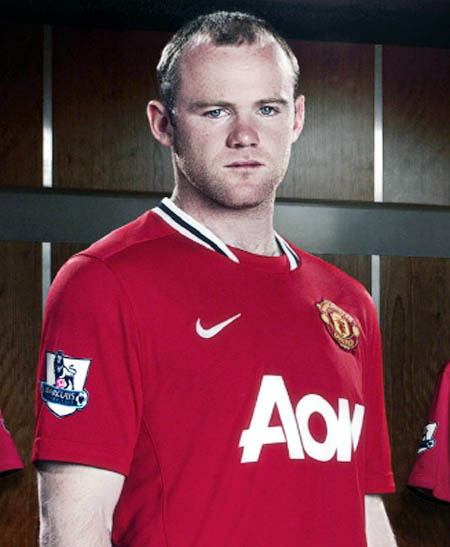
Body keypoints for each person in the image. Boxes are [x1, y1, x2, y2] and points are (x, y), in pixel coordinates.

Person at [33, 11, 397, 546]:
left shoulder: (349, 302)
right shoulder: (104, 282)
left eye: (267, 109)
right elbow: (74, 526)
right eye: (215, 111)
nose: (245, 135)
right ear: (163, 124)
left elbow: (364, 508)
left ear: (296, 118)